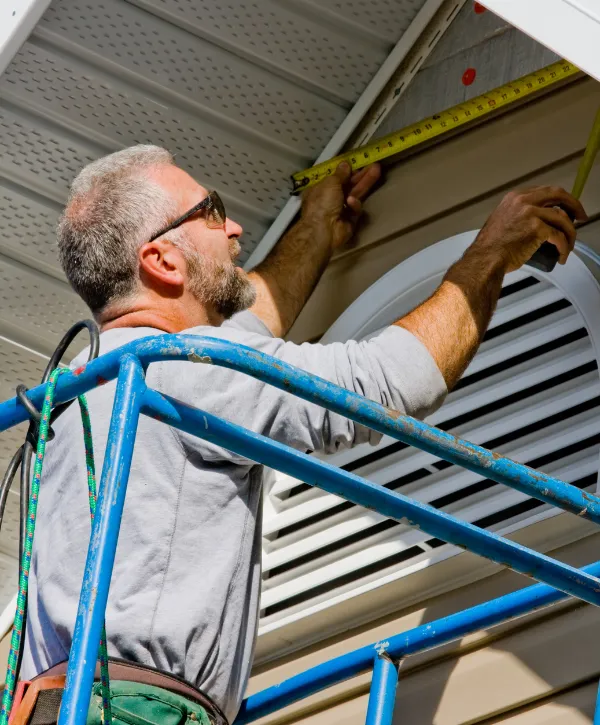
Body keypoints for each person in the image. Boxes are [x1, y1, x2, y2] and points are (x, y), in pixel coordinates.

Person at [21, 145, 586, 724]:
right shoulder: (185, 369)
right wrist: (491, 252)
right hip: (133, 714)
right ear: (164, 261)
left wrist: (316, 229)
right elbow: (388, 384)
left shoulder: (92, 384)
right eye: (210, 212)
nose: (234, 227)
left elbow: (247, 327)